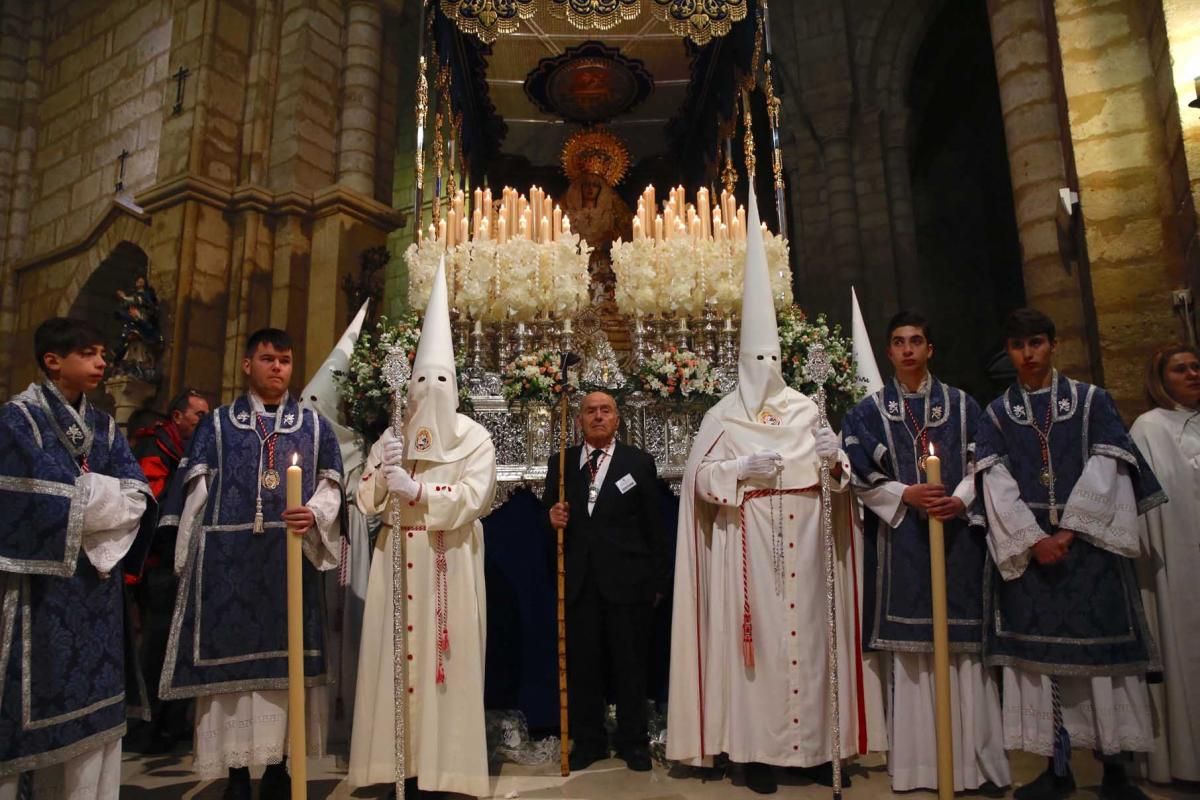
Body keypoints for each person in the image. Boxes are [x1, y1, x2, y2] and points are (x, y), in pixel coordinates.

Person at [667, 188, 868, 795]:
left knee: (807, 640)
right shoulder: (722, 416)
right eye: (752, 356)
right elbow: (697, 484)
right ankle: (752, 751)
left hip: (805, 549)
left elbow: (838, 483)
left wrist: (837, 466)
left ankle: (810, 749)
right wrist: (736, 472)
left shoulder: (810, 410)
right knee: (750, 649)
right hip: (743, 550)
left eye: (769, 355)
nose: (762, 365)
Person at [976, 308, 1165, 800]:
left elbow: (1108, 462)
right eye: (1018, 346)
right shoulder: (996, 413)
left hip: (1090, 550)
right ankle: (1056, 768)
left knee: (1103, 667)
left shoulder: (1090, 401)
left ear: (1053, 344)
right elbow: (993, 480)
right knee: (1043, 667)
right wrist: (1033, 538)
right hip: (1030, 551)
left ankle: (1116, 771)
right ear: (1009, 351)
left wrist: (1070, 531)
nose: (1028, 354)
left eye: (1036, 343)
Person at [158, 328, 344, 800]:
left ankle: (281, 766)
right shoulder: (218, 424)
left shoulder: (314, 425)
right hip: (227, 567)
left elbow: (332, 486)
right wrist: (186, 554)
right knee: (230, 683)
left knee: (287, 676)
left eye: (284, 359)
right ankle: (237, 774)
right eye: (267, 359)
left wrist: (316, 512)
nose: (277, 367)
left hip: (288, 564)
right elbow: (195, 490)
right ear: (247, 365)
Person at [840, 310, 1010, 793]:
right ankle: (919, 767)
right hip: (902, 543)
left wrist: (959, 499)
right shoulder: (867, 411)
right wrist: (903, 494)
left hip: (958, 538)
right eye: (899, 342)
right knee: (914, 661)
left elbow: (987, 462)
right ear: (890, 351)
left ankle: (977, 763)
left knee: (965, 656)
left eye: (916, 340)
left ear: (929, 349)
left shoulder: (964, 406)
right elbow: (853, 470)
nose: (908, 349)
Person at [348, 259, 497, 798]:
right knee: (392, 659)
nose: (430, 389)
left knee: (445, 664)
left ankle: (446, 770)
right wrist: (381, 473)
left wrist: (421, 492)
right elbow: (364, 501)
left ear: (454, 384)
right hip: (394, 559)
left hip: (446, 560)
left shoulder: (474, 437)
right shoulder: (393, 433)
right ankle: (395, 765)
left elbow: (476, 497)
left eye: (441, 379)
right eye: (422, 379)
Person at [0, 317, 155, 799]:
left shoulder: (105, 427)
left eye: (103, 353)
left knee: (96, 719)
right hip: (39, 593)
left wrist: (88, 495)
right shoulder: (16, 420)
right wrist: (96, 497)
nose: (103, 362)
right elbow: (29, 497)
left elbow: (138, 494)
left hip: (97, 591)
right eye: (89, 353)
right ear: (53, 361)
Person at [544, 391, 669, 772]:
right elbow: (550, 519)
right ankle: (590, 741)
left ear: (617, 419)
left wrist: (658, 582)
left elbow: (656, 527)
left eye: (605, 411)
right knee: (584, 666)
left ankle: (633, 743)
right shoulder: (562, 463)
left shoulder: (638, 463)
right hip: (580, 582)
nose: (598, 417)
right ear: (579, 419)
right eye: (590, 411)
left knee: (630, 666)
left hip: (628, 583)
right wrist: (552, 518)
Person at [1129, 345, 1200, 784]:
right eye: (1181, 369)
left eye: (1196, 367)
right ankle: (1184, 761)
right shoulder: (1149, 429)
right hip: (1173, 560)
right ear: (1160, 378)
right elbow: (1145, 506)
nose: (1192, 374)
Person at [127, 388, 210, 754]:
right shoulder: (154, 447)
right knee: (158, 646)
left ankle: (174, 724)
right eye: (198, 415)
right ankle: (145, 725)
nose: (204, 422)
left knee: (184, 647)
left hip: (187, 563)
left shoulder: (194, 451)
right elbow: (150, 501)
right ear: (177, 417)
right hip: (158, 566)